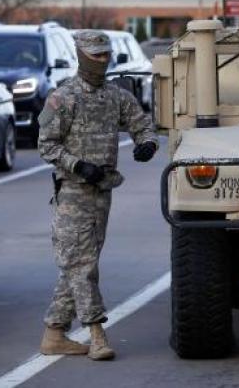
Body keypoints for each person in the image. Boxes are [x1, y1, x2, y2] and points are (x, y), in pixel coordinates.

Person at [37, 30, 158, 361]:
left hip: (103, 193)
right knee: (83, 265)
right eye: (96, 55)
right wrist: (77, 165)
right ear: (81, 55)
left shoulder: (116, 97)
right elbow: (46, 144)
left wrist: (146, 143)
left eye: (106, 55)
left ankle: (54, 333)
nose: (102, 61)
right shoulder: (62, 98)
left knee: (77, 265)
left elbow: (142, 123)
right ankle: (96, 333)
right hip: (73, 193)